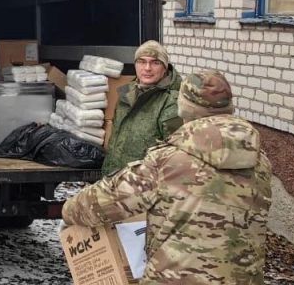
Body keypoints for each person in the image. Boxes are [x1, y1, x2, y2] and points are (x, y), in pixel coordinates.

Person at [62, 70, 272, 284]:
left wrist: (69, 211)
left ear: (184, 108)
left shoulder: (167, 162)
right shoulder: (259, 162)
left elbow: (103, 202)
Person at [102, 40, 183, 176]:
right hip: (115, 180)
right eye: (142, 62)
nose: (147, 68)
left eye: (155, 63)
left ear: (165, 68)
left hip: (143, 186)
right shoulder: (127, 94)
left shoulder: (171, 102)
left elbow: (174, 156)